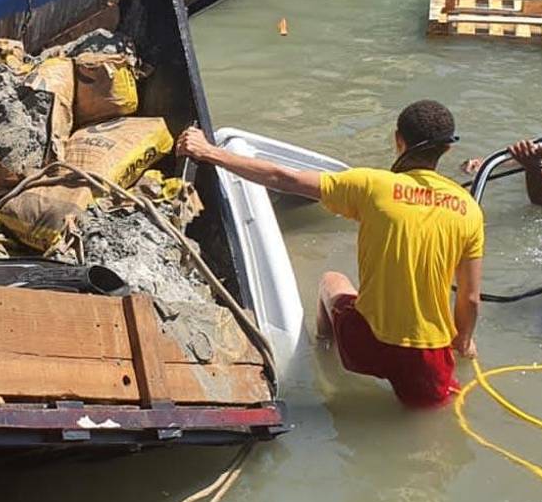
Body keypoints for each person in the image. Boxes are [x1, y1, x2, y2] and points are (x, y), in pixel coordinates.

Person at [175, 100, 483, 408]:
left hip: (365, 344)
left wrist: (208, 151)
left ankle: (324, 353)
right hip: (426, 356)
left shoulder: (372, 185)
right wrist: (464, 342)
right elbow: (469, 299)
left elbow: (286, 179)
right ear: (447, 150)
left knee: (331, 280)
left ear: (398, 139)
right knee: (431, 428)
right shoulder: (468, 208)